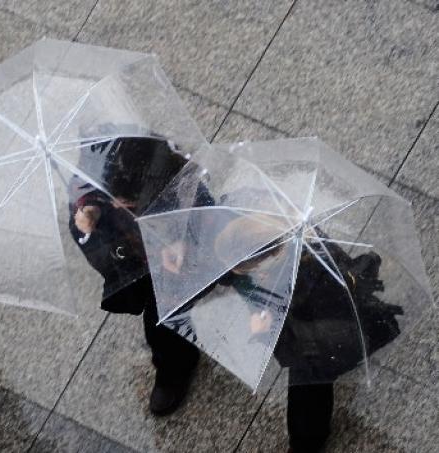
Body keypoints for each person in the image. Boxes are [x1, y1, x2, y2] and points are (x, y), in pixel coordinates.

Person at [180, 213, 401, 453]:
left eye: (244, 269)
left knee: (308, 385)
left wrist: (264, 331)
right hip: (307, 307)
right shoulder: (278, 239)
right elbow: (233, 268)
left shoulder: (306, 282)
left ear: (265, 261)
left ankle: (307, 443)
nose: (238, 275)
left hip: (330, 333)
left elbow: (295, 350)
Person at [68, 133, 211, 416]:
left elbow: (210, 227)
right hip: (137, 271)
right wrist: (88, 229)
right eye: (115, 200)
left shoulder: (187, 192)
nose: (119, 206)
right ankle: (174, 365)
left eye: (126, 203)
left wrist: (182, 244)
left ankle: (177, 365)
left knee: (168, 318)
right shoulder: (98, 191)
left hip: (175, 275)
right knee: (158, 323)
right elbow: (100, 252)